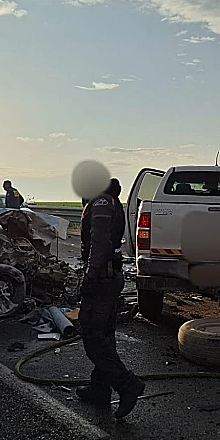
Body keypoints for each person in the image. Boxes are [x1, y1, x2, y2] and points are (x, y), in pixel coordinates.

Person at [77, 178, 145, 419]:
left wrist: (91, 275)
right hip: (110, 277)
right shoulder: (109, 201)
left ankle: (127, 384)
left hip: (103, 279)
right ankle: (100, 387)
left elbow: (100, 241)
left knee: (92, 334)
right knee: (104, 334)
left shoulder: (102, 202)